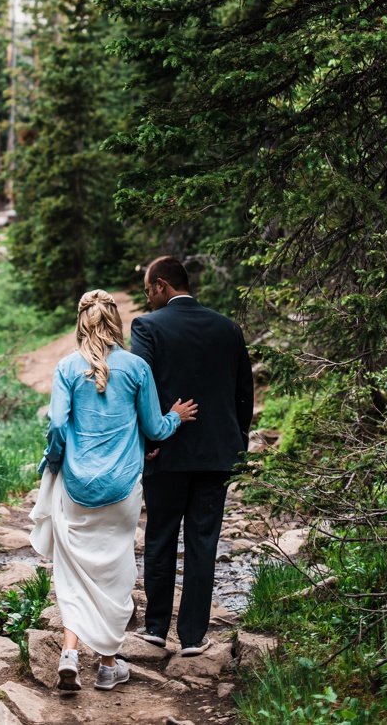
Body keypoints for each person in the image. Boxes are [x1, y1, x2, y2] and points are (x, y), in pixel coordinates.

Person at [31, 289, 198, 693]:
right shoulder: (136, 367)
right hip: (123, 489)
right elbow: (154, 429)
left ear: (80, 322)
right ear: (115, 322)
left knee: (72, 574)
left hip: (77, 487)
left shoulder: (68, 368)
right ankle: (108, 666)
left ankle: (70, 653)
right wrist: (175, 417)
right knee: (116, 573)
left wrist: (56, 460)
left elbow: (56, 425)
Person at [129, 255, 254, 656]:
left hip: (166, 450)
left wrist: (148, 440)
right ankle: (194, 637)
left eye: (149, 290)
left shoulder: (147, 327)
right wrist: (238, 440)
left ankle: (155, 628)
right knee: (204, 541)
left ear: (162, 285)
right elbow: (243, 394)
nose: (148, 298)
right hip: (218, 453)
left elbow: (141, 388)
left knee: (161, 536)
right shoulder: (227, 327)